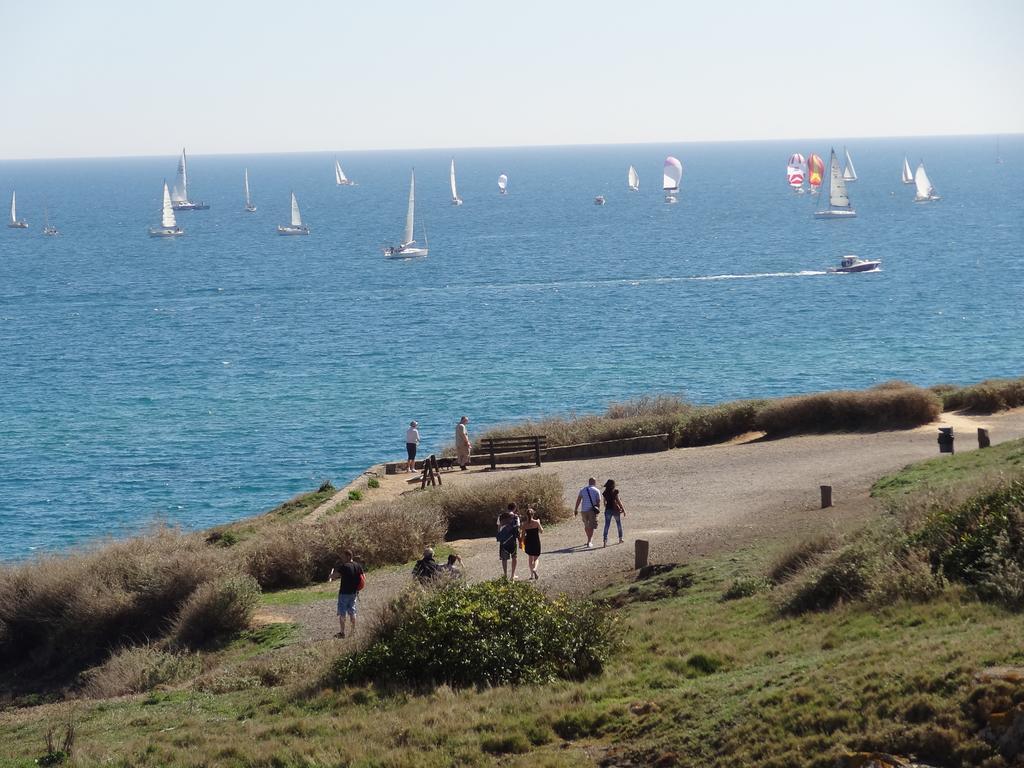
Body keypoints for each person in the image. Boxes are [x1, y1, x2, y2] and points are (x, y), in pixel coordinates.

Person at [327, 550, 364, 639]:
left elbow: (336, 575)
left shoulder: (344, 566)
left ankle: (342, 632)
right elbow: (363, 578)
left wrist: (330, 576)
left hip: (344, 593)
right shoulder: (357, 565)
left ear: (348, 556)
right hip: (353, 592)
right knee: (352, 611)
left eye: (343, 557)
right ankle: (352, 631)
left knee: (342, 612)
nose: (342, 559)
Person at [574, 477, 602, 548]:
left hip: (583, 510)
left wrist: (576, 509)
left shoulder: (583, 490)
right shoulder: (597, 490)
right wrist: (597, 510)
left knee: (586, 526)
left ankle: (589, 539)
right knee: (591, 526)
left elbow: (578, 500)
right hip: (592, 511)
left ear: (589, 482)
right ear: (594, 482)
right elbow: (598, 501)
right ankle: (589, 541)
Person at [496, 506, 520, 580]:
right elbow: (517, 528)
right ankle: (512, 575)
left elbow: (499, 528)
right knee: (514, 557)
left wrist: (500, 536)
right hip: (512, 539)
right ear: (514, 508)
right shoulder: (516, 517)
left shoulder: (500, 516)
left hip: (503, 540)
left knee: (504, 559)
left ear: (507, 508)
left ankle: (505, 575)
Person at [602, 479, 626, 546]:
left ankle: (605, 540)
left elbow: (604, 503)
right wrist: (623, 509)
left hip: (608, 510)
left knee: (607, 525)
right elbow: (618, 501)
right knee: (618, 524)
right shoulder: (615, 492)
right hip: (615, 510)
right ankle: (620, 538)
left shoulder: (605, 493)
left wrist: (607, 507)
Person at [522, 508, 543, 579]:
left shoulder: (524, 524)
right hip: (536, 541)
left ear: (526, 515)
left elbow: (522, 536)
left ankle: (531, 575)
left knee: (530, 558)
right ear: (533, 514)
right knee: (536, 558)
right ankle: (535, 569)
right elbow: (541, 531)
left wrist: (522, 544)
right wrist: (539, 522)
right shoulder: (536, 522)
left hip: (528, 542)